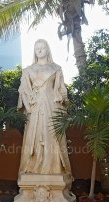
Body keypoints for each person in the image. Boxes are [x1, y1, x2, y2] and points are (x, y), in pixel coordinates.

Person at [17, 39, 72, 175]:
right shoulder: (28, 70)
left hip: (52, 105)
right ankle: (32, 168)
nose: (40, 50)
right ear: (34, 51)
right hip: (34, 107)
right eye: (37, 48)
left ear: (48, 50)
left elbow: (61, 89)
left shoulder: (56, 68)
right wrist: (29, 108)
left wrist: (64, 101)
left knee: (51, 135)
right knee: (33, 137)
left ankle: (54, 169)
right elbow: (23, 90)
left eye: (42, 47)